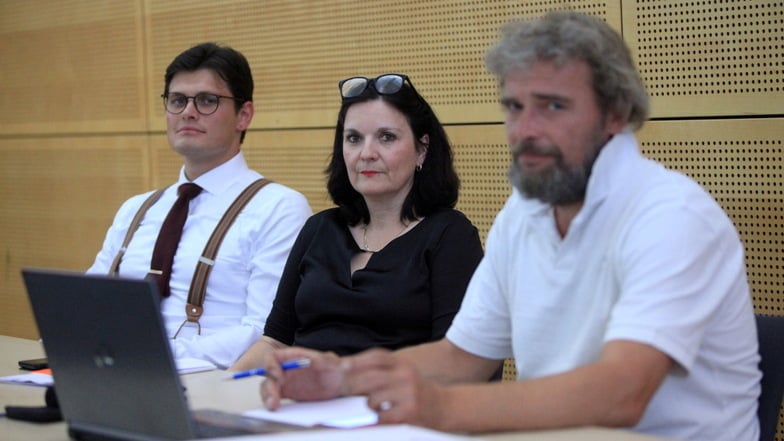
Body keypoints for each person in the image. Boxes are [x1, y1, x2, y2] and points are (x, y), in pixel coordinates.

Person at [256, 12, 761, 441]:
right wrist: (342, 377)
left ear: (616, 113)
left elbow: (622, 393)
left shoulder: (669, 216)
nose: (526, 130)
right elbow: (461, 359)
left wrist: (438, 408)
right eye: (515, 107)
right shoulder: (524, 213)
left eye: (553, 106)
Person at [230, 74, 483, 372]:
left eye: (386, 137)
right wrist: (222, 389)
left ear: (422, 149)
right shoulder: (318, 229)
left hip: (394, 406)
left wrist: (344, 381)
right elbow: (274, 342)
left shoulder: (450, 235)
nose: (366, 153)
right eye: (354, 138)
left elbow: (455, 361)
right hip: (301, 406)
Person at [87, 42, 312, 369]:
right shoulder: (137, 210)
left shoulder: (278, 207)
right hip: (113, 373)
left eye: (207, 101)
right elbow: (87, 303)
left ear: (244, 115)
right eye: (177, 100)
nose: (188, 112)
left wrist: (154, 355)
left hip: (209, 383)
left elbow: (266, 332)